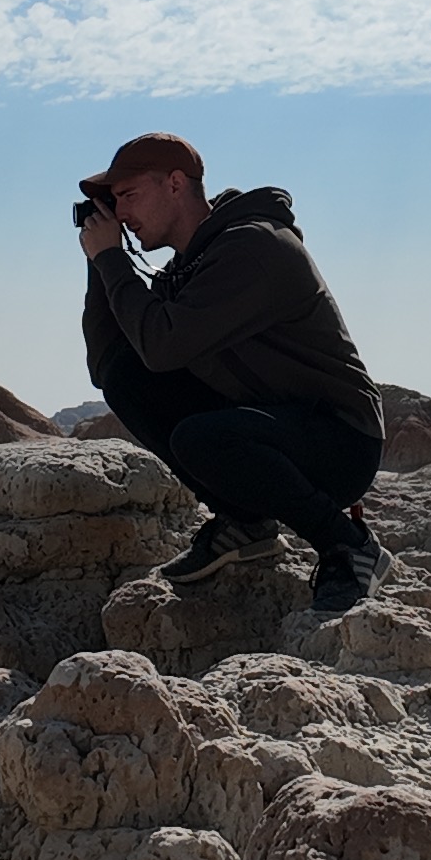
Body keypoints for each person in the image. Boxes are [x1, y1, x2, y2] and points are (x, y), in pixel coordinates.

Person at [76, 129, 390, 614]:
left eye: (128, 196)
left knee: (203, 437)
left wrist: (114, 258)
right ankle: (245, 523)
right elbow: (109, 362)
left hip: (341, 439)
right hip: (276, 422)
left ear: (176, 184)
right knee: (125, 376)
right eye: (114, 204)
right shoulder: (190, 265)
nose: (121, 214)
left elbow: (162, 345)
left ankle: (347, 545)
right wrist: (100, 266)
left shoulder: (252, 248)